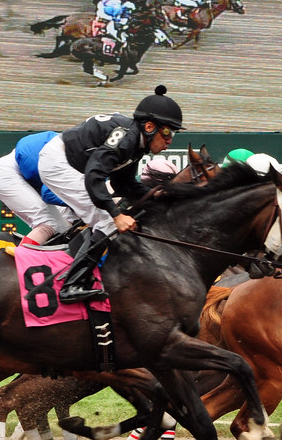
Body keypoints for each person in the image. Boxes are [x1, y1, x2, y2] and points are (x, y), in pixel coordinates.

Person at [37, 85, 184, 302]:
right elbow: (94, 175)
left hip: (66, 162)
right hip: (59, 162)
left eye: (173, 133)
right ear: (150, 126)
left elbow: (122, 183)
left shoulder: (136, 144)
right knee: (107, 222)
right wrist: (116, 215)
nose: (170, 140)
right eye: (167, 132)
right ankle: (72, 284)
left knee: (106, 220)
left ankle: (79, 278)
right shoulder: (126, 138)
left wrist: (157, 196)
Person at [0, 131, 79, 246]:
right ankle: (24, 259)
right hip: (7, 174)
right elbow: (48, 193)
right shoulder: (75, 154)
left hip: (31, 175)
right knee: (48, 223)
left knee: (65, 229)